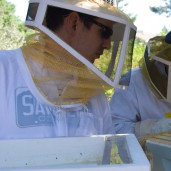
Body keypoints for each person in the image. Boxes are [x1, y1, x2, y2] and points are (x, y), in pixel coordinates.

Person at [0, 0, 136, 138]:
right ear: (74, 23)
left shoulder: (95, 95)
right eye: (105, 32)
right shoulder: (4, 70)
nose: (107, 45)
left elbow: (107, 153)